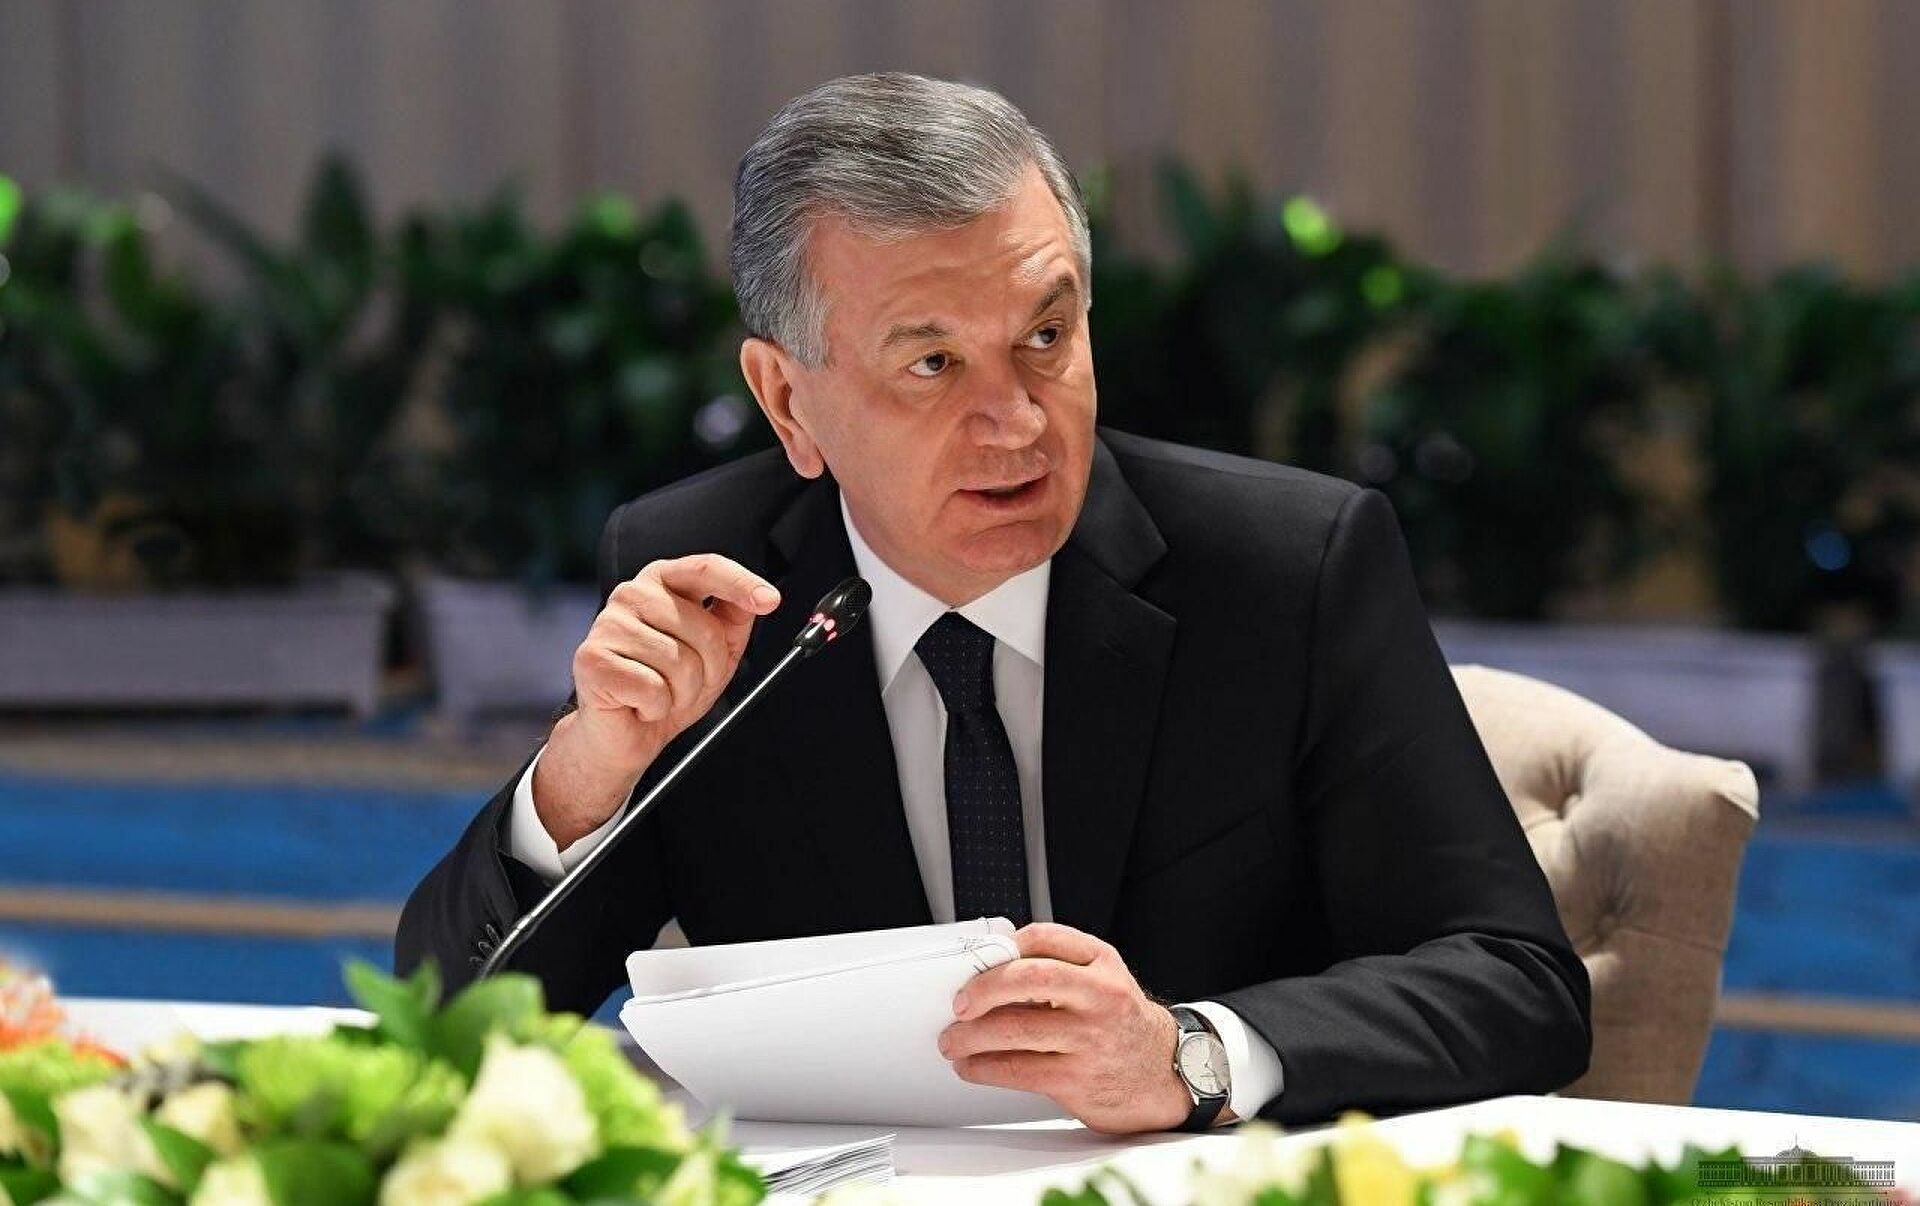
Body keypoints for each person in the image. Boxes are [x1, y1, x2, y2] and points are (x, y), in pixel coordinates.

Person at [398, 72, 1590, 1135]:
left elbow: (1517, 981)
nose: (1017, 421)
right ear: (789, 403)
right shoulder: (708, 582)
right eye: (933, 364)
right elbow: (446, 1025)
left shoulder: (1286, 571)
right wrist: (584, 779)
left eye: (1046, 336)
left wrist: (1194, 1055)